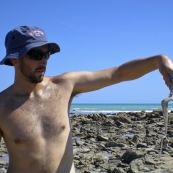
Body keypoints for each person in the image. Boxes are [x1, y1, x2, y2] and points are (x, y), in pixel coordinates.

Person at [0, 25, 173, 173]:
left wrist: (158, 61)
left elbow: (117, 73)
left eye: (47, 55)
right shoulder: (2, 105)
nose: (44, 61)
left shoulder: (65, 85)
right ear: (15, 58)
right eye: (36, 55)